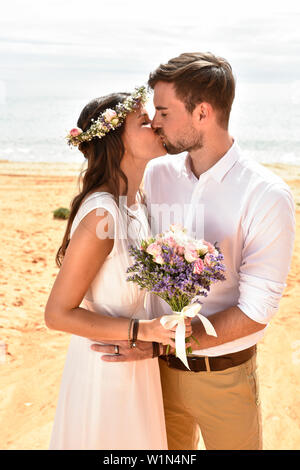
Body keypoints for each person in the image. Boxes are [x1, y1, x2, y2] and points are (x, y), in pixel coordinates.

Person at [92, 53, 296, 450]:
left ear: (202, 113)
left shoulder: (266, 195)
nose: (155, 122)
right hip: (153, 377)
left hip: (224, 377)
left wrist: (168, 341)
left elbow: (257, 312)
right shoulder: (156, 175)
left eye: (164, 112)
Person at [44, 87, 192, 450]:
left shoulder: (138, 204)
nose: (156, 124)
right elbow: (56, 314)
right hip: (105, 373)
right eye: (144, 121)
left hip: (137, 367)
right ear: (116, 142)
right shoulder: (101, 214)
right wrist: (144, 330)